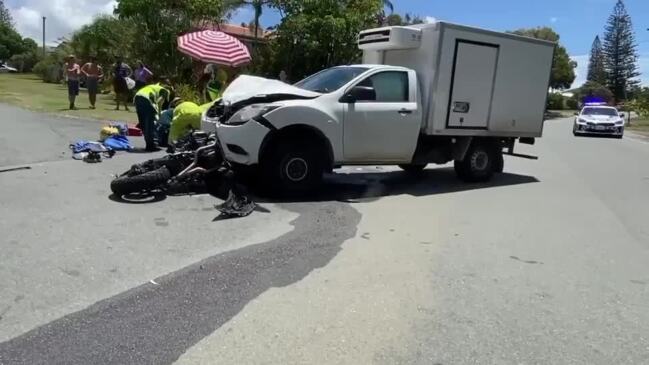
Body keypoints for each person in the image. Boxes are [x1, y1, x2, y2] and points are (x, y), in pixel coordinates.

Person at [134, 83, 172, 151]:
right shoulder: (165, 90)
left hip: (137, 99)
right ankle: (150, 146)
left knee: (143, 124)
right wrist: (158, 114)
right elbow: (160, 102)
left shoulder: (153, 87)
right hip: (146, 100)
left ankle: (148, 144)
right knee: (149, 124)